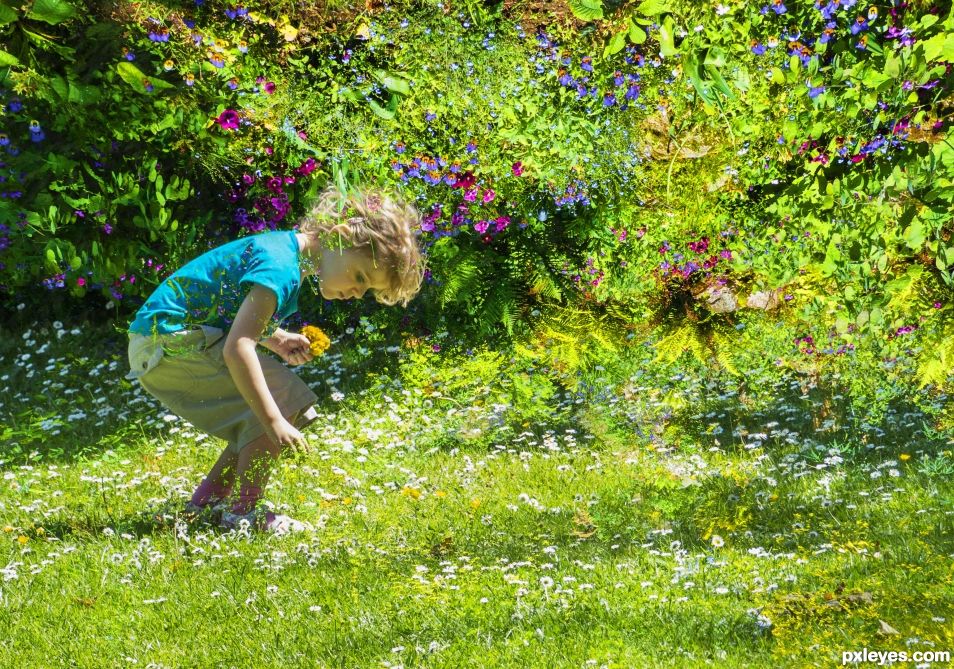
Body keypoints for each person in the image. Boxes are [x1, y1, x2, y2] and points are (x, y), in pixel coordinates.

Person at [125, 184, 425, 533]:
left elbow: (228, 313)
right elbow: (237, 347)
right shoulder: (281, 268)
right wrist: (273, 420)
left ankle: (207, 504)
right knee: (280, 401)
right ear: (339, 237)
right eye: (360, 276)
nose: (358, 292)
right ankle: (242, 515)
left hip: (164, 341)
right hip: (170, 343)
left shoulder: (283, 253)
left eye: (367, 289)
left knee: (282, 400)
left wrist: (276, 339)